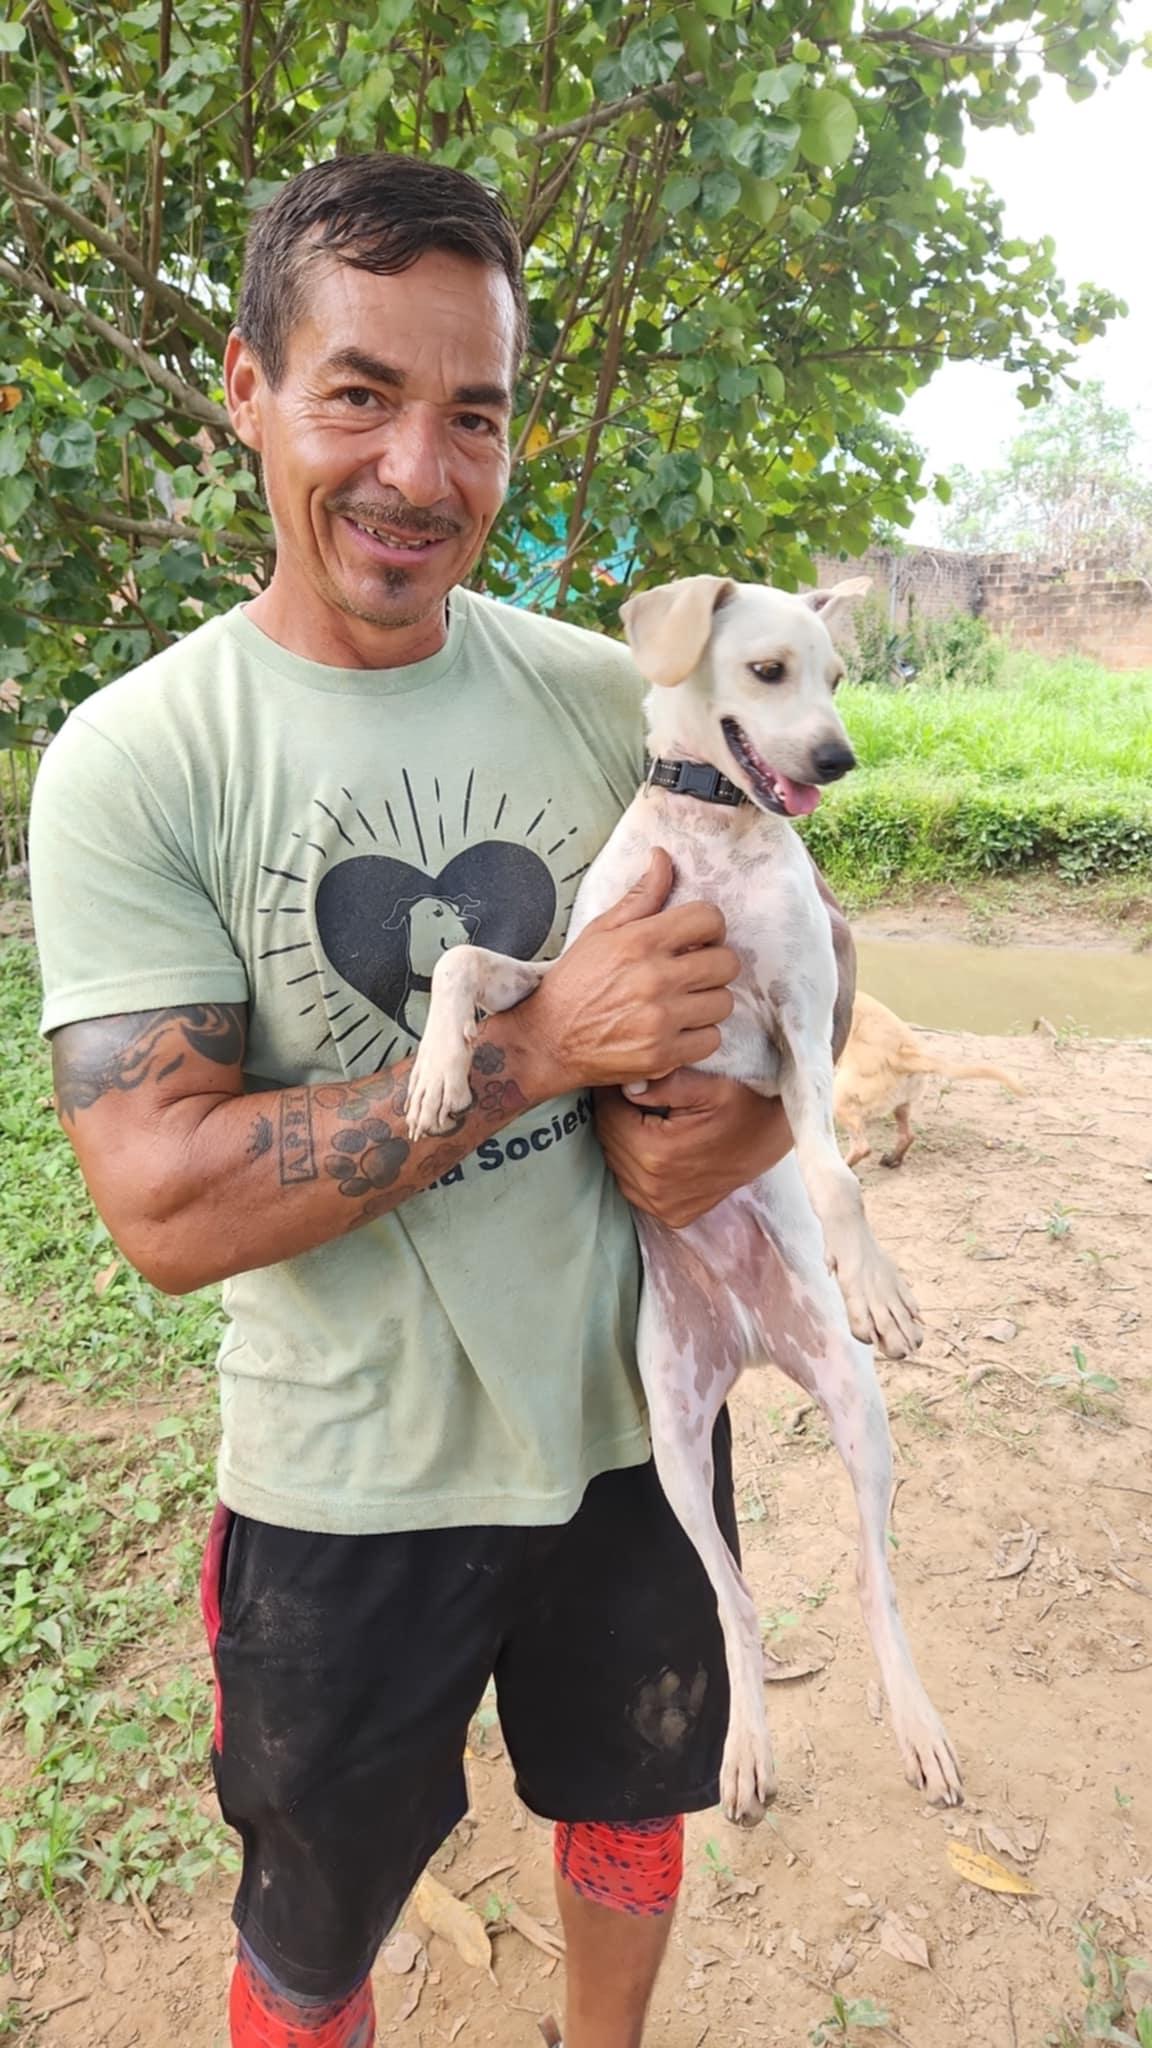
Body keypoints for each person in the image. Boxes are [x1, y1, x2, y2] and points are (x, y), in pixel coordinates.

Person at [29, 155, 852, 2048]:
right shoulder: (139, 763)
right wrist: (545, 1046)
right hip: (346, 1482)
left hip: (629, 1427)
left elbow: (814, 936)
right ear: (246, 388)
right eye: (357, 394)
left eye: (469, 412)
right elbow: (162, 1205)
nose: (418, 468)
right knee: (313, 1927)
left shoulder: (610, 694)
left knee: (635, 1797)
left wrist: (762, 1122)